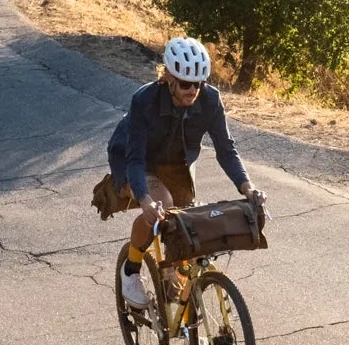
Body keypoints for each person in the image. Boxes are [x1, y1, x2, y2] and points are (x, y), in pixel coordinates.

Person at [109, 36, 263, 309]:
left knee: (186, 226)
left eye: (198, 83)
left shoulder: (211, 101)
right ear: (167, 76)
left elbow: (226, 150)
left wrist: (247, 187)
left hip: (175, 161)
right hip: (135, 158)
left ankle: (188, 322)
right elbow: (134, 159)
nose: (192, 90)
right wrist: (144, 200)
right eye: (184, 83)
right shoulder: (144, 100)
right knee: (162, 205)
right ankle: (130, 270)